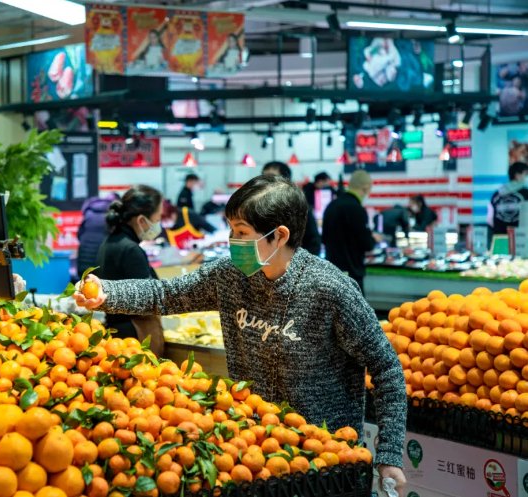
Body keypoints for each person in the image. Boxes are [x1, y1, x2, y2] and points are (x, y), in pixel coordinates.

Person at [73, 175, 407, 494]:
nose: (233, 242)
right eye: (232, 230)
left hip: (327, 460)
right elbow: (166, 294)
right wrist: (107, 292)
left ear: (279, 235)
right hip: (256, 455)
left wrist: (390, 453)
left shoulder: (330, 290)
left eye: (242, 232)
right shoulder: (229, 275)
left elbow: (387, 368)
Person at [94, 185, 165, 355]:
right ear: (141, 220)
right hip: (135, 337)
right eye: (157, 218)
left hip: (116, 334)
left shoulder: (109, 242)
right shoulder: (130, 249)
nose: (158, 224)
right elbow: (148, 300)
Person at [322, 170, 383, 294]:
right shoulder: (357, 209)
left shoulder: (331, 206)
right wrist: (373, 238)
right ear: (365, 188)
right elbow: (367, 244)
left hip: (331, 273)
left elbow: (324, 238)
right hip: (352, 275)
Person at [262, 161, 322, 256]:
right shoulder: (259, 208)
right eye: (264, 177)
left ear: (286, 181)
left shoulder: (299, 207)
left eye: (272, 177)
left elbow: (314, 242)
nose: (266, 182)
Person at [76, 193, 119, 278]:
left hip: (84, 255)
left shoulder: (89, 211)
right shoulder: (112, 214)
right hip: (102, 259)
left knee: (84, 285)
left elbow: (79, 234)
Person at [489, 162, 528, 235]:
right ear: (517, 175)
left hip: (499, 235)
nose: (526, 177)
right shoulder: (525, 193)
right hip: (520, 238)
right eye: (525, 174)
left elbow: (490, 218)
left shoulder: (497, 194)